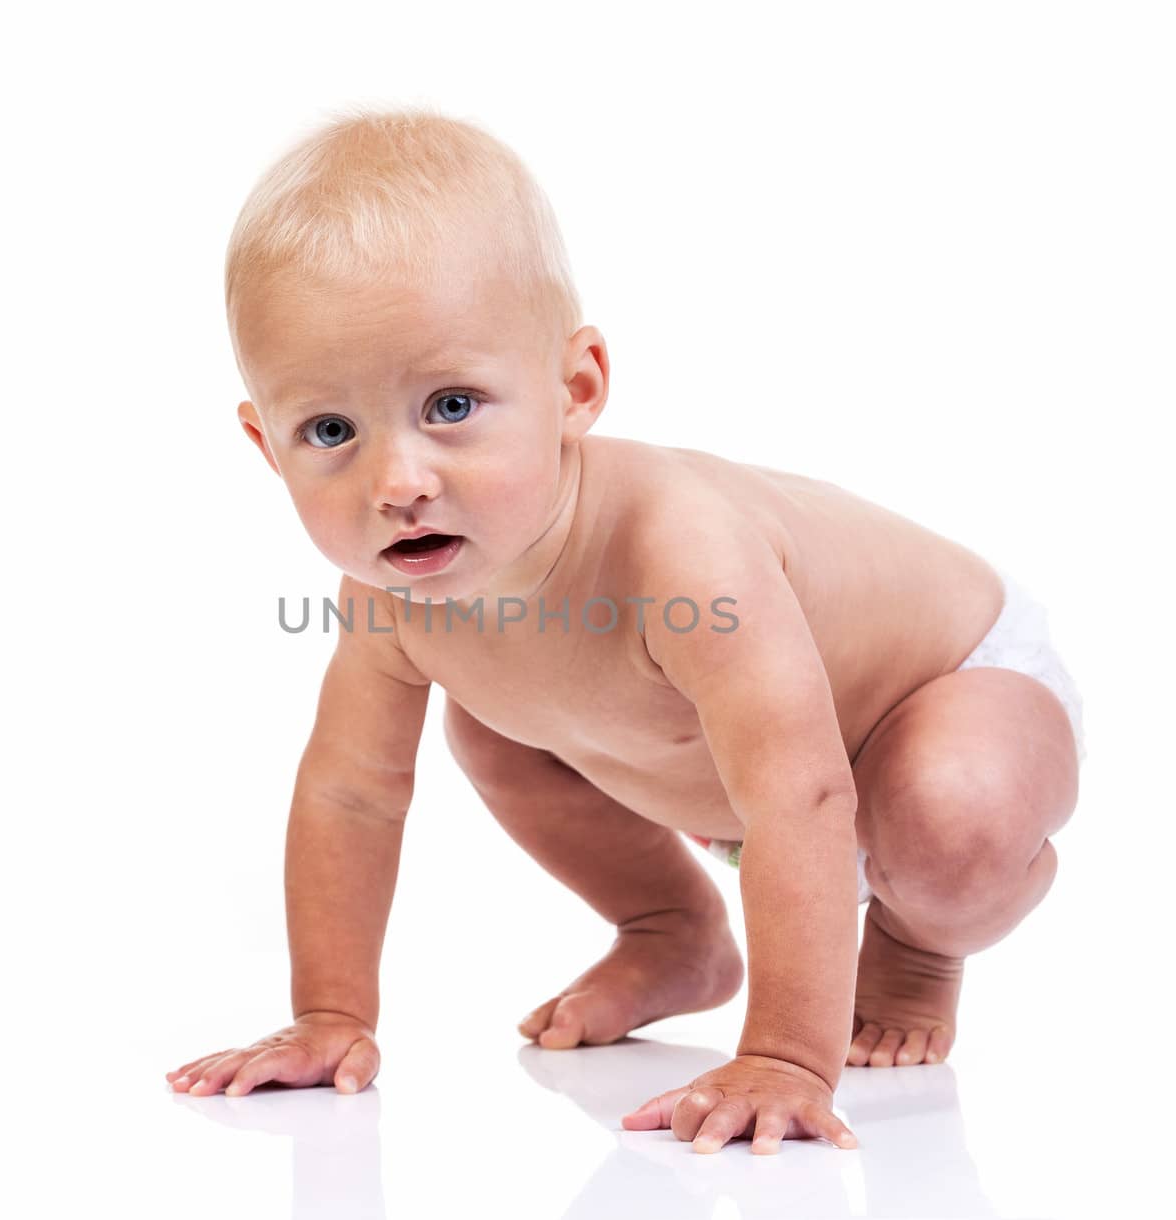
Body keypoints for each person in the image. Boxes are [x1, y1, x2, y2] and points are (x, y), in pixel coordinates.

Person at [165, 103, 1086, 1157]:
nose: (398, 483)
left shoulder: (680, 551)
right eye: (329, 429)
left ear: (576, 387)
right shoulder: (390, 597)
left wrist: (786, 1054)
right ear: (265, 444)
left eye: (453, 405)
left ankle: (918, 944)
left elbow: (805, 789)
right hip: (717, 763)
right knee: (489, 725)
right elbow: (351, 791)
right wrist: (331, 1014)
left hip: (945, 687)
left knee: (950, 825)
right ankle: (672, 930)